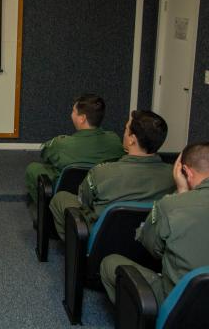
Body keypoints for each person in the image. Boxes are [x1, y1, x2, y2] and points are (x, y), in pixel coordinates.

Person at [100, 142, 209, 305]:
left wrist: (181, 194)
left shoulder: (170, 206)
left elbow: (151, 247)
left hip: (183, 306)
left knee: (110, 263)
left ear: (185, 171)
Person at [49, 110, 175, 240]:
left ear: (132, 139)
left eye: (126, 129)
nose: (124, 133)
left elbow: (84, 201)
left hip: (104, 240)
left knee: (61, 198)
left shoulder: (101, 172)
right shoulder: (173, 176)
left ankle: (76, 253)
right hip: (150, 238)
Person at [24, 94, 124, 215]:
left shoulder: (62, 144)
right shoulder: (115, 140)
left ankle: (48, 214)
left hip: (68, 192)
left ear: (82, 118)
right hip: (103, 191)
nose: (71, 114)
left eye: (73, 111)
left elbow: (46, 154)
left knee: (33, 169)